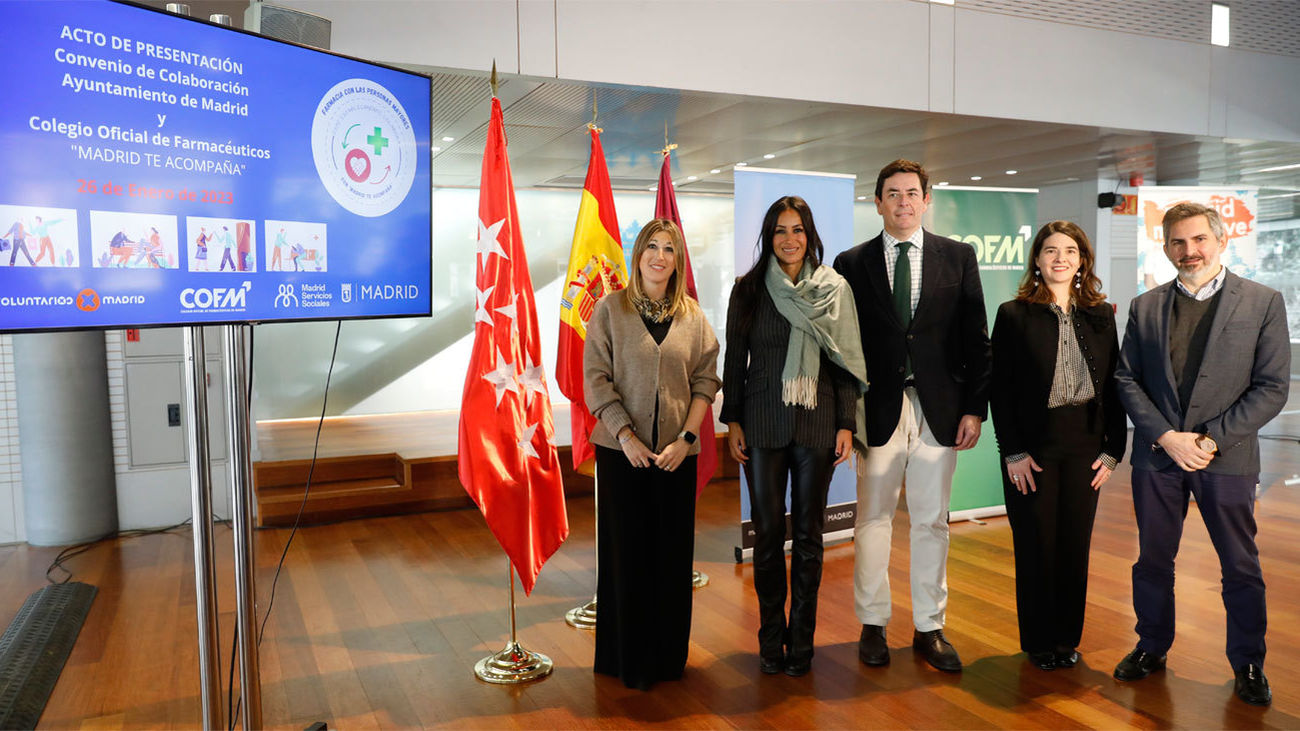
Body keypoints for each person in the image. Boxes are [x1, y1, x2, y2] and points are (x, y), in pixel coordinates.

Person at [1113, 201, 1289, 706]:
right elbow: (1126, 378)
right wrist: (1167, 437)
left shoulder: (1262, 302)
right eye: (1177, 242)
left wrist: (1209, 440)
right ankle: (1151, 645)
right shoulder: (1145, 306)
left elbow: (1272, 387)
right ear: (1165, 246)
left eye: (1198, 240)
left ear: (1219, 240)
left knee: (1240, 564)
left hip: (1226, 458)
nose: (1189, 251)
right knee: (1151, 560)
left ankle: (1249, 661)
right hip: (1158, 457)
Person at [833, 158, 991, 673]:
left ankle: (930, 628)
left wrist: (974, 409)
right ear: (877, 202)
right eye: (892, 193)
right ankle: (873, 623)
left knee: (932, 521)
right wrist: (842, 415)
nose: (903, 202)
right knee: (872, 520)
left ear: (927, 201)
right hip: (877, 409)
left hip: (940, 411)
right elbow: (842, 346)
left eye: (912, 193)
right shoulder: (850, 263)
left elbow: (976, 339)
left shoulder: (958, 257)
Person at [720, 196, 868, 677]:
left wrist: (846, 421)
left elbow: (846, 362)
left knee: (808, 536)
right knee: (767, 536)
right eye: (781, 230)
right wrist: (734, 420)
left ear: (811, 235)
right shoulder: (748, 291)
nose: (790, 239)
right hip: (763, 425)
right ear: (769, 236)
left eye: (798, 229)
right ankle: (770, 639)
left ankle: (801, 642)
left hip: (817, 425)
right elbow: (734, 363)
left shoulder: (834, 289)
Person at [583, 218, 721, 691]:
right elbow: (596, 381)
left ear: (677, 260)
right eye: (651, 247)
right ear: (638, 254)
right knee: (628, 555)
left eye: (669, 249)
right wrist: (625, 436)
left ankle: (667, 658)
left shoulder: (693, 317)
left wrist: (686, 439)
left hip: (675, 458)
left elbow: (706, 380)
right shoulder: (609, 310)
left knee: (670, 556)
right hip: (623, 455)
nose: (659, 256)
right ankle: (628, 659)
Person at [989, 221, 1126, 671]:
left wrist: (1113, 449)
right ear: (1037, 259)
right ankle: (1039, 642)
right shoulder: (1013, 314)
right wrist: (1012, 451)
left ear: (1082, 259)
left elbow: (1115, 385)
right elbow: (1000, 389)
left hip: (1086, 447)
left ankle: (1067, 638)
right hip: (1034, 449)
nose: (1060, 258)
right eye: (1050, 250)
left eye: (1070, 250)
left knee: (1073, 546)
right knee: (1036, 545)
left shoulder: (1101, 314)